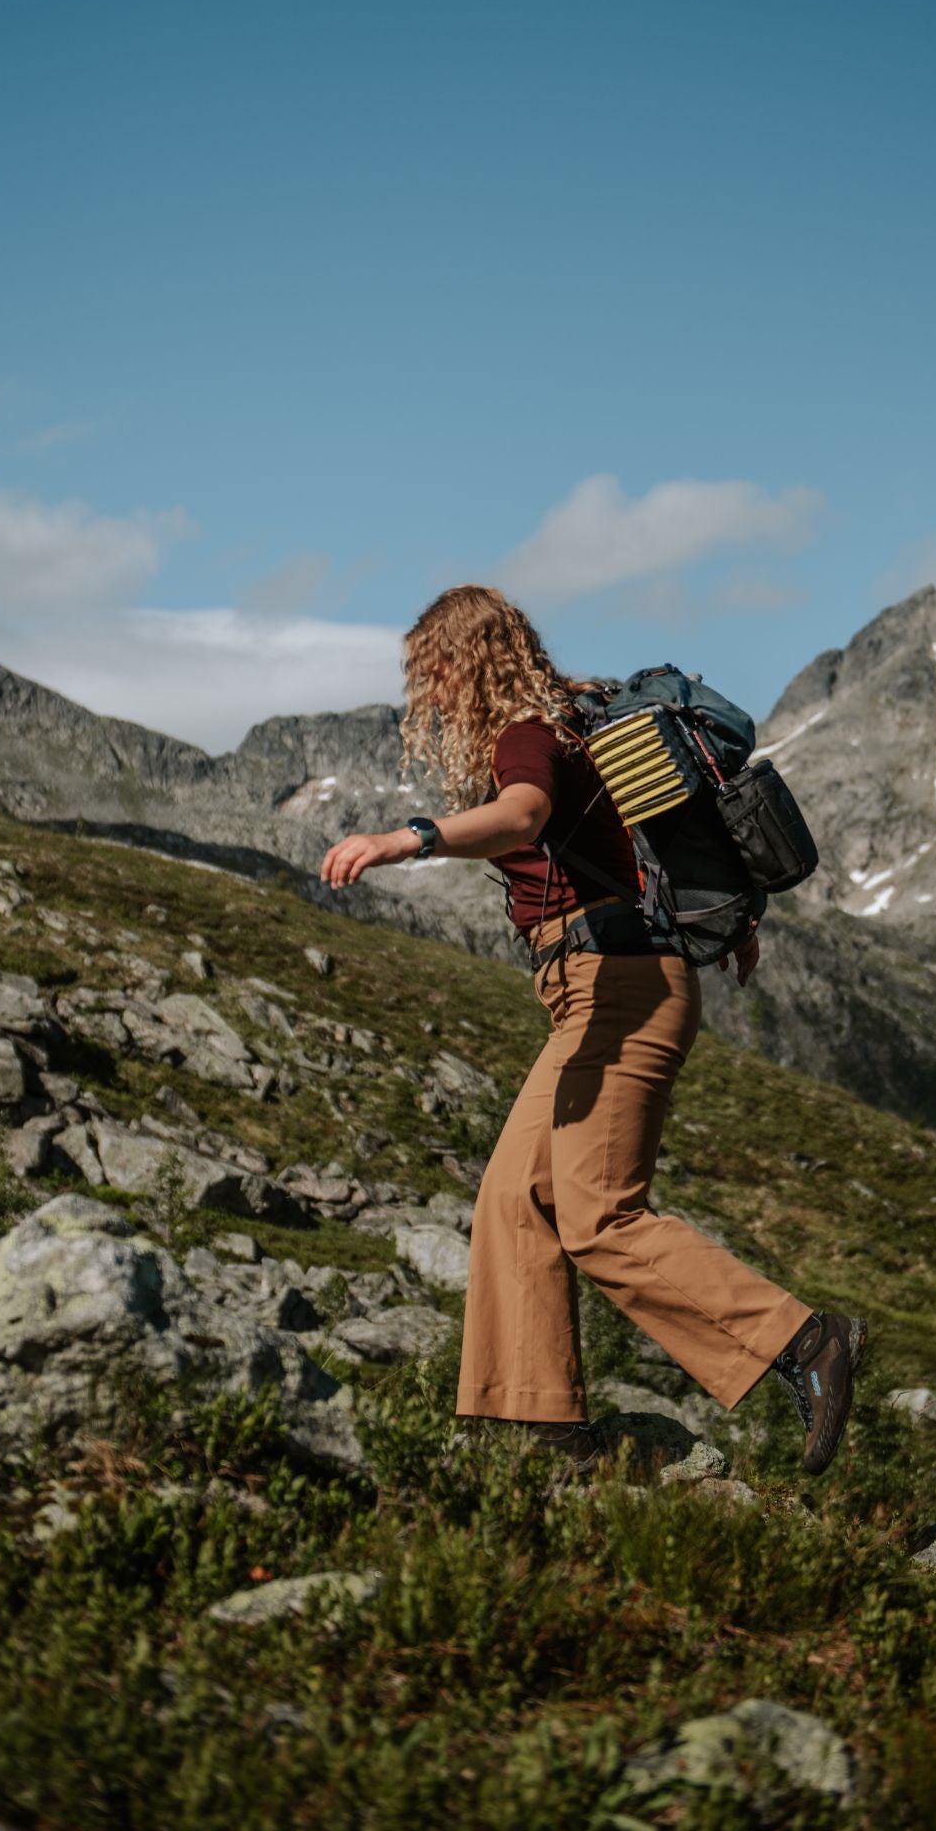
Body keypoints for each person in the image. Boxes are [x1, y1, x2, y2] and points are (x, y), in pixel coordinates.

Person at [319, 584, 866, 1474]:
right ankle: (538, 1431)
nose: (430, 694)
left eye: (436, 672)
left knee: (600, 1217)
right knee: (512, 1196)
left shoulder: (529, 733)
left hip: (616, 984)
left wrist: (407, 838)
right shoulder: (578, 725)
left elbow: (523, 814)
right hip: (602, 985)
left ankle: (805, 1342)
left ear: (470, 658)